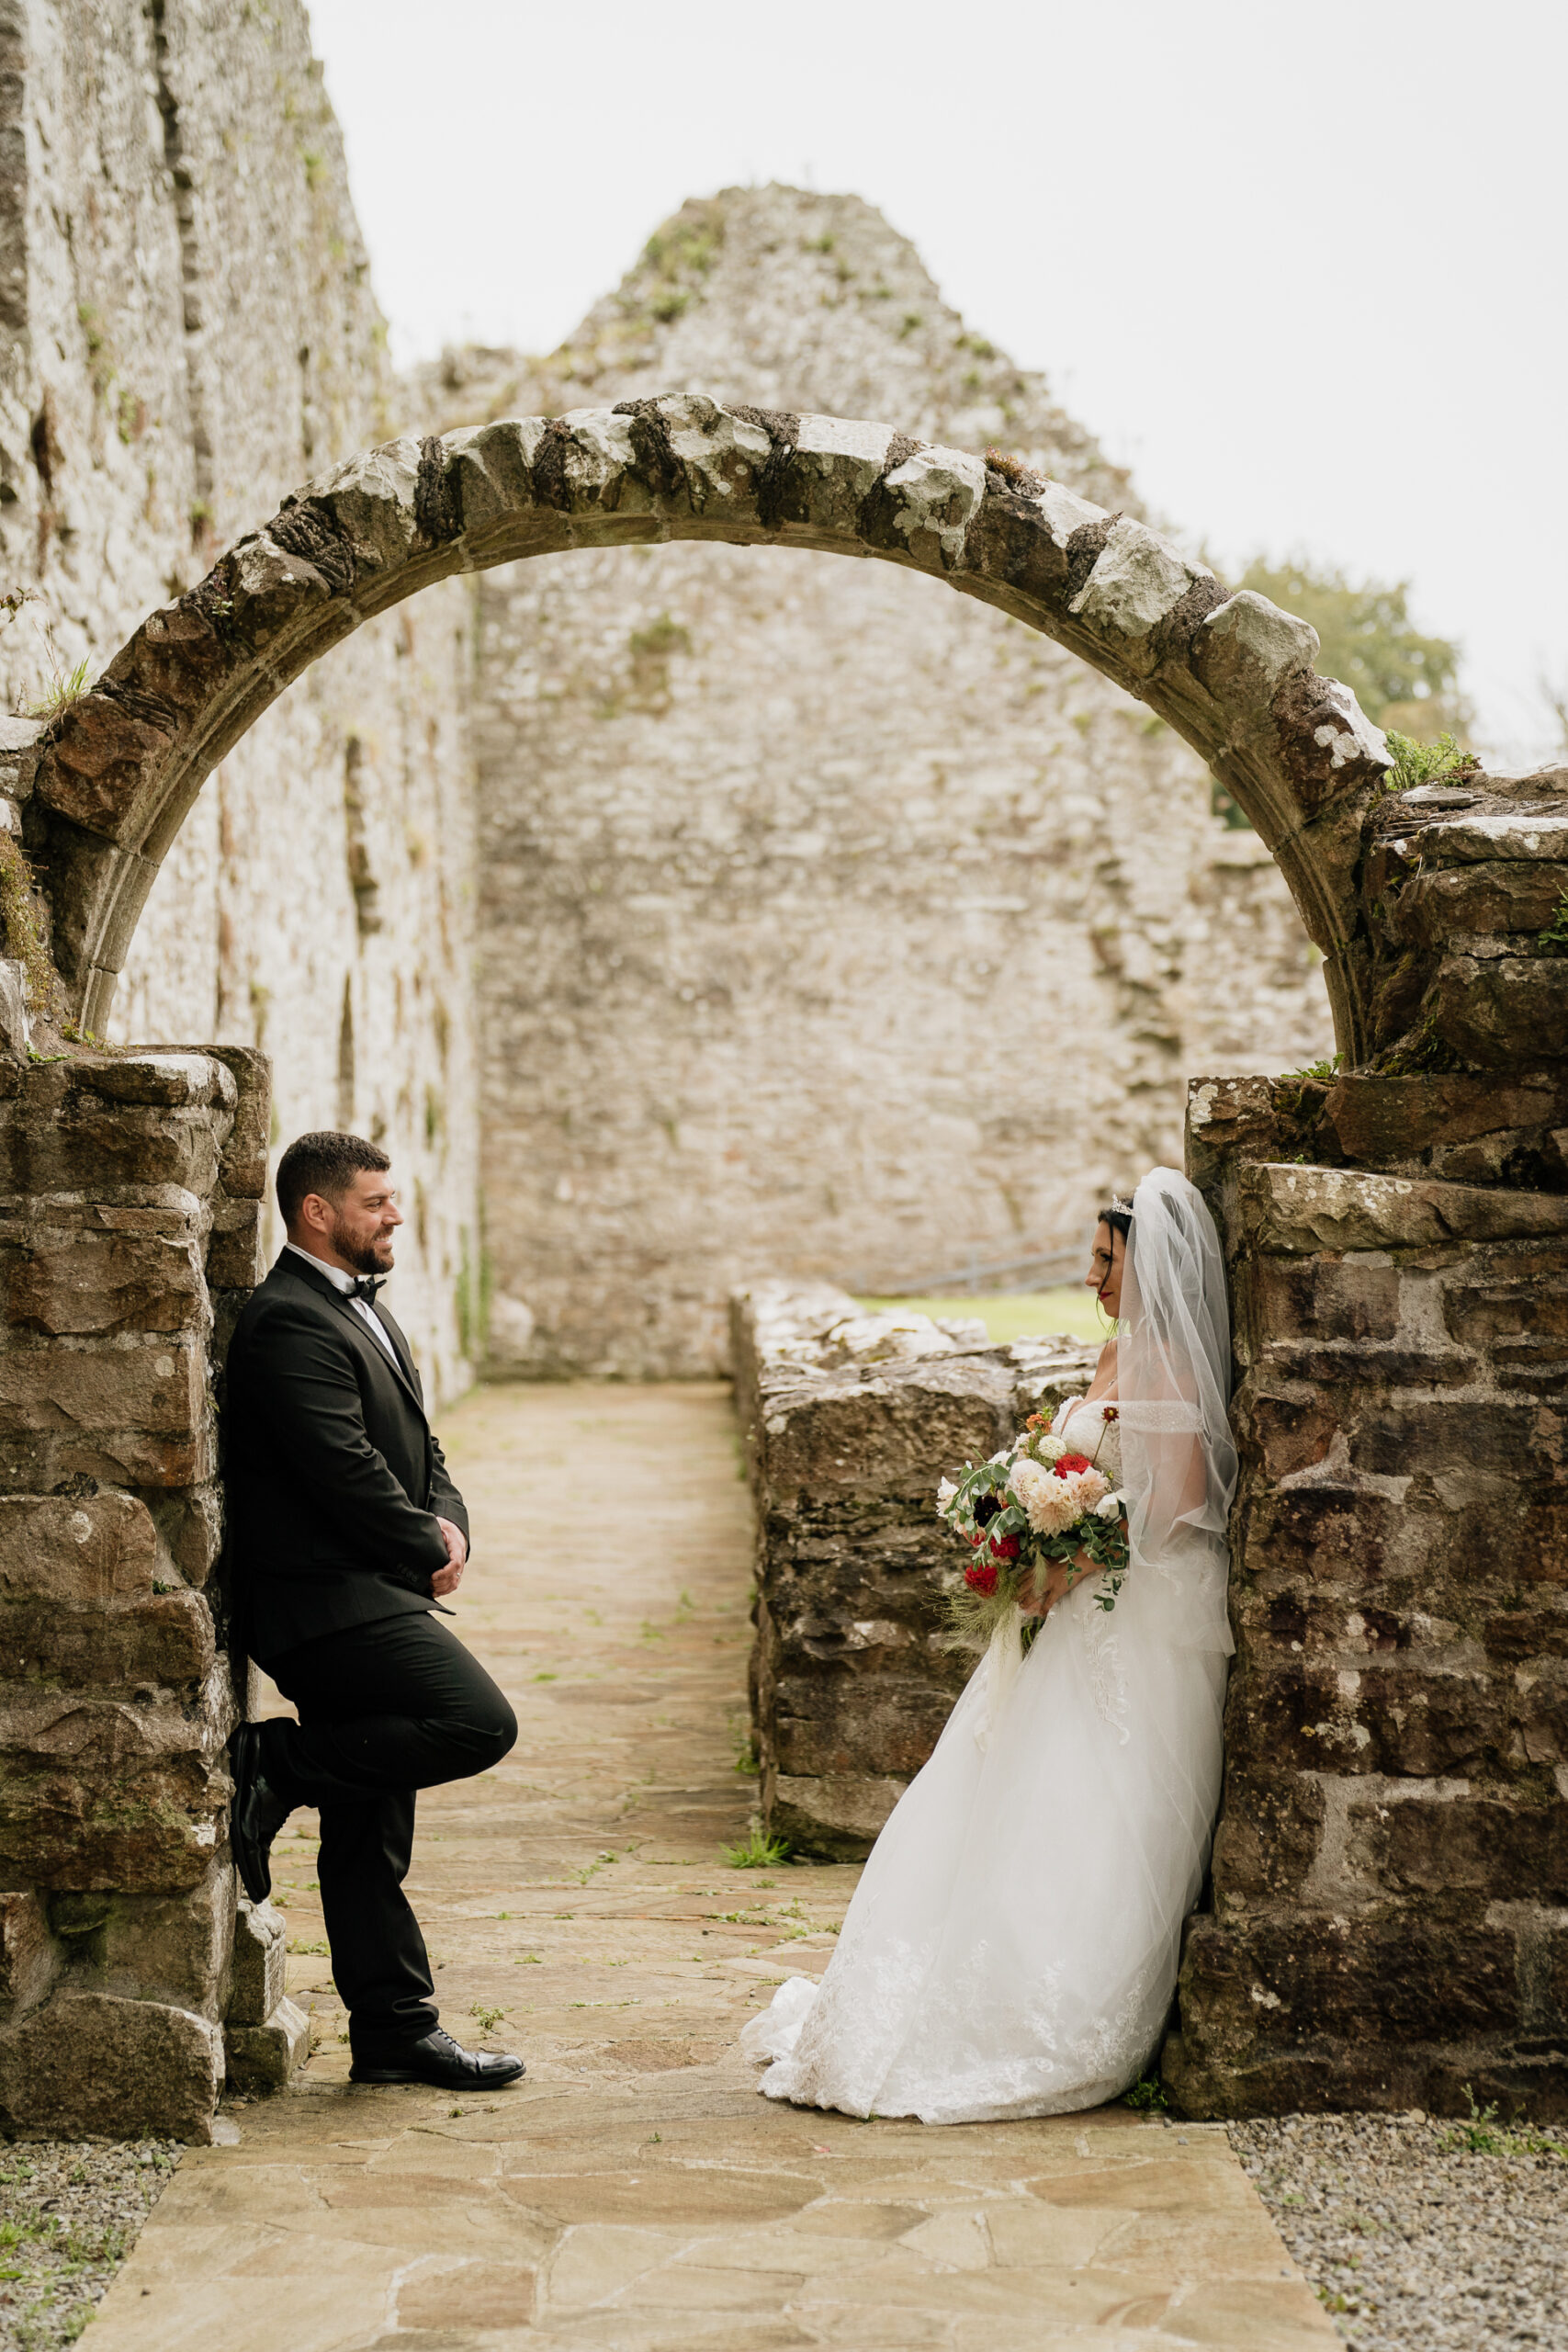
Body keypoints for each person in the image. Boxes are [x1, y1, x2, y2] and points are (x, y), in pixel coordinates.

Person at [742, 1165, 1237, 2122]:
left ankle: (1051, 2003)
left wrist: (1075, 1552)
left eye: (1106, 1260)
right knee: (1000, 1792)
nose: (1091, 1277)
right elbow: (1079, 1469)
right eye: (1090, 1259)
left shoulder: (1172, 1370)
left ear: (1152, 1263)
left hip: (1130, 1623)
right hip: (1060, 1613)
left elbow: (1176, 1514)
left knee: (1089, 1803)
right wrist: (1029, 1531)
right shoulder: (1116, 1355)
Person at [223, 1131, 525, 2093]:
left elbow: (419, 1450)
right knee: (477, 1721)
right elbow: (340, 1468)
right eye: (376, 1201)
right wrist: (415, 1542)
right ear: (318, 1211)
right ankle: (276, 1764)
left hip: (370, 1588)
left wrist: (451, 1525)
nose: (395, 1215)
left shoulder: (365, 1311)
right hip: (322, 1603)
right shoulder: (286, 1320)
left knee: (369, 1832)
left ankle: (395, 2030)